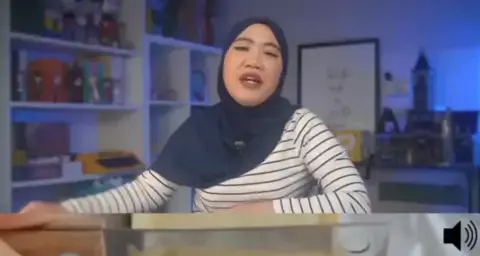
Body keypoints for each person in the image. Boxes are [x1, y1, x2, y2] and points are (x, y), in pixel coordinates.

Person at [19, 17, 370, 222]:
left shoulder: (303, 127)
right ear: (224, 62)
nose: (254, 61)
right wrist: (65, 211)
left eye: (270, 53)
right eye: (242, 47)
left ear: (281, 73)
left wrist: (260, 211)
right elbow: (141, 194)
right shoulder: (199, 129)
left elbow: (355, 202)